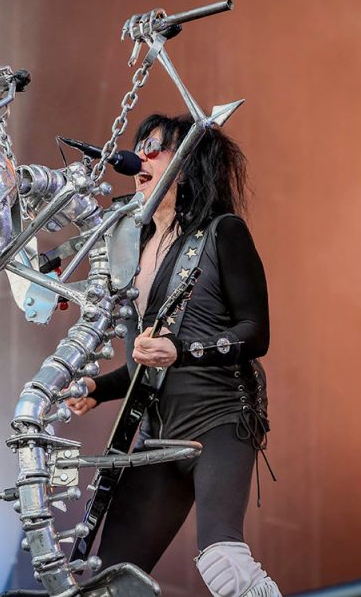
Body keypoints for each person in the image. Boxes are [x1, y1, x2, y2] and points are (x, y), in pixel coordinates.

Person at [67, 113, 281, 597]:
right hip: (157, 433)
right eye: (139, 146)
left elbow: (256, 334)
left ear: (186, 165)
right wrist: (99, 388)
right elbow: (149, 359)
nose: (138, 157)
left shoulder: (224, 232)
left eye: (154, 148)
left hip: (220, 421)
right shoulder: (132, 247)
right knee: (112, 582)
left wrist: (182, 350)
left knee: (224, 564)